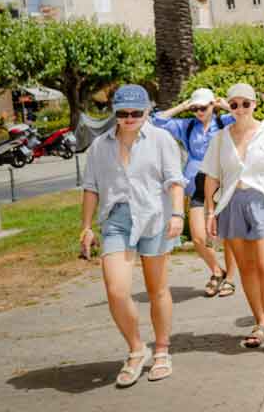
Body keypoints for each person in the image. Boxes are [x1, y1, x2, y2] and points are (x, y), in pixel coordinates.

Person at [80, 84, 185, 387]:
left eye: (135, 113)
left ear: (147, 111)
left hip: (155, 216)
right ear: (114, 112)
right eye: (122, 113)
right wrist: (86, 226)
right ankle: (136, 349)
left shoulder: (161, 139)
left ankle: (162, 349)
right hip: (117, 220)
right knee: (116, 289)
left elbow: (174, 181)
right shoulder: (100, 146)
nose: (128, 119)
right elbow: (91, 188)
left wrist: (177, 214)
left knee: (157, 289)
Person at [201, 83, 264, 357]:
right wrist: (210, 211)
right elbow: (211, 176)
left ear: (255, 104)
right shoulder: (220, 138)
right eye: (234, 105)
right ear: (228, 107)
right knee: (246, 270)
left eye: (246, 103)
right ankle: (260, 323)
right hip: (232, 204)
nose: (240, 109)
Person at [151, 87, 237, 297]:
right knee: (198, 237)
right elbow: (157, 121)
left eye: (203, 107)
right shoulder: (188, 125)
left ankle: (231, 279)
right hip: (196, 184)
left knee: (227, 236)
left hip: (221, 182)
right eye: (195, 108)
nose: (199, 112)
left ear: (212, 106)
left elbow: (242, 116)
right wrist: (182, 106)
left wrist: (223, 104)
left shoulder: (223, 121)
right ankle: (217, 271)